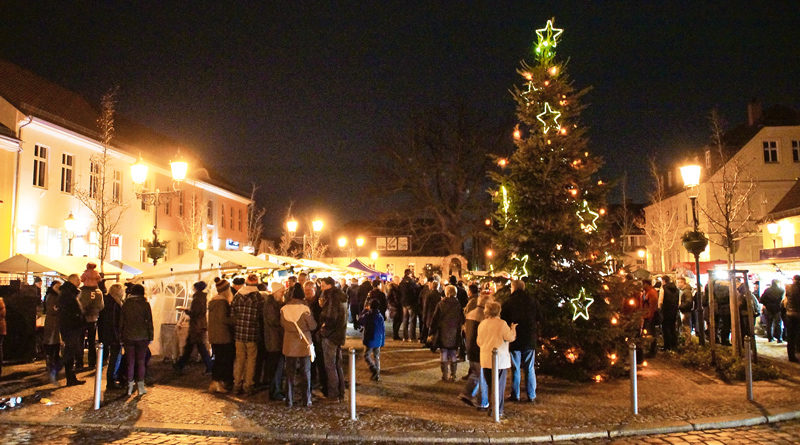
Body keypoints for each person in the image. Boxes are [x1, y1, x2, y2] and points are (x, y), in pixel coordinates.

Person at [477, 301, 516, 417]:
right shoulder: (502, 324)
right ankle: (497, 410)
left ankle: (491, 408)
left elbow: (479, 342)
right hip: (500, 360)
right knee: (499, 386)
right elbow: (510, 337)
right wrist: (513, 329)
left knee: (491, 385)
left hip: (485, 358)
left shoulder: (482, 324)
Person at [501, 280, 538, 403]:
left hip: (515, 338)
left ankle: (515, 394)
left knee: (515, 368)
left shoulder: (508, 302)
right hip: (529, 338)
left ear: (513, 288)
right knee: (529, 367)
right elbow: (539, 316)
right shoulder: (532, 301)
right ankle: (531, 394)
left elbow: (503, 319)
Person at [281, 282, 317, 407]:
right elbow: (313, 326)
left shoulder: (284, 308)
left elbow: (282, 324)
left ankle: (289, 400)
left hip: (289, 343)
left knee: (289, 373)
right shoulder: (305, 309)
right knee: (305, 372)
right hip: (303, 343)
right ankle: (306, 400)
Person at [231, 274, 263, 395]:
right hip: (252, 333)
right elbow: (261, 314)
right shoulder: (257, 297)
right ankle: (248, 385)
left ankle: (237, 384)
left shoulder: (237, 295)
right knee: (251, 360)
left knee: (239, 360)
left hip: (239, 333)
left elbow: (232, 312)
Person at [120, 284, 153, 396]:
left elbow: (121, 322)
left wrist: (121, 336)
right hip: (142, 336)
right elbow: (149, 322)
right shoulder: (145, 304)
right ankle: (140, 386)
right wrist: (151, 336)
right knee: (141, 362)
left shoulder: (126, 305)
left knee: (130, 362)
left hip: (128, 336)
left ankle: (129, 386)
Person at [174, 281, 213, 374]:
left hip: (196, 326)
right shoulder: (203, 298)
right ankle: (180, 364)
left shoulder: (197, 299)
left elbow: (195, 313)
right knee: (192, 347)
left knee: (197, 347)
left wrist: (185, 310)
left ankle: (209, 366)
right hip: (200, 325)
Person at [319, 277, 347, 401]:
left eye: (323, 285)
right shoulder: (341, 295)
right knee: (337, 365)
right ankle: (341, 392)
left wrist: (323, 326)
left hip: (330, 335)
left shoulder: (331, 297)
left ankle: (333, 394)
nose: (321, 288)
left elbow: (330, 316)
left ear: (329, 285)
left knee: (330, 366)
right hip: (339, 334)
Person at [459, 293, 490, 408]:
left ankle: (466, 393)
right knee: (483, 377)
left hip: (470, 348)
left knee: (476, 373)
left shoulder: (470, 314)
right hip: (479, 350)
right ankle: (482, 401)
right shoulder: (484, 317)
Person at [429, 285, 464, 381]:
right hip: (454, 331)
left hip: (443, 331)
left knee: (443, 352)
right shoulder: (458, 305)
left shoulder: (441, 304)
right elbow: (461, 319)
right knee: (453, 352)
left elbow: (435, 319)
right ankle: (453, 374)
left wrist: (431, 333)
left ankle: (444, 375)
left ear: (446, 292)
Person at [208, 278, 235, 393]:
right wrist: (235, 319)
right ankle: (217, 383)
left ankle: (216, 382)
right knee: (222, 360)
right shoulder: (222, 302)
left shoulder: (213, 301)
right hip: (223, 336)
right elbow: (223, 319)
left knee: (218, 359)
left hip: (215, 335)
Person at [59, 274, 86, 386]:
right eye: (79, 279)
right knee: (70, 352)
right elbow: (71, 311)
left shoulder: (67, 292)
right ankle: (70, 377)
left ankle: (71, 376)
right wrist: (79, 320)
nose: (80, 281)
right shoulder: (68, 294)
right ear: (74, 280)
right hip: (71, 328)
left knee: (71, 351)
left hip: (70, 327)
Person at [98, 283, 124, 390]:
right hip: (113, 336)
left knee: (112, 358)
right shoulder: (114, 304)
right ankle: (111, 380)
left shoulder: (106, 301)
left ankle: (112, 379)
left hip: (106, 334)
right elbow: (113, 322)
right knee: (114, 358)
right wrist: (117, 337)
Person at [263, 282, 286, 401]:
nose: (283, 294)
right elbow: (273, 320)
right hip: (273, 340)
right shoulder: (271, 304)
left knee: (277, 366)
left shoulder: (274, 303)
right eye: (282, 292)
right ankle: (275, 391)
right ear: (276, 292)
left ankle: (276, 390)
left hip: (276, 339)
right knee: (276, 367)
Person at [78, 273, 104, 370]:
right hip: (93, 318)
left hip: (81, 318)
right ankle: (92, 362)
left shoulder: (80, 291)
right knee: (92, 341)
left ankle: (79, 362)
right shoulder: (98, 292)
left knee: (80, 341)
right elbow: (101, 306)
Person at [359, 298, 385, 381]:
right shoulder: (380, 316)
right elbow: (383, 330)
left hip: (370, 339)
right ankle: (377, 374)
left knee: (367, 355)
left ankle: (374, 369)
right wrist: (382, 341)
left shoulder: (368, 315)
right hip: (378, 339)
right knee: (376, 356)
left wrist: (364, 311)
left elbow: (360, 320)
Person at [43, 281, 62, 383]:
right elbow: (52, 309)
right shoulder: (51, 296)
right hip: (52, 322)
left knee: (54, 342)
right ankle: (51, 361)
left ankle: (53, 360)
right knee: (51, 342)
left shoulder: (54, 295)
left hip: (55, 322)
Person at [660, 276, 680, 351]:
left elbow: (660, 301)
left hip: (666, 310)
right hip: (674, 311)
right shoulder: (677, 290)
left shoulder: (663, 289)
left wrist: (660, 308)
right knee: (672, 328)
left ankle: (667, 346)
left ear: (664, 281)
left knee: (665, 328)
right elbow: (678, 301)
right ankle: (674, 345)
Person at [783, 275, 800, 362]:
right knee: (797, 335)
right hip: (798, 314)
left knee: (790, 336)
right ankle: (797, 351)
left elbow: (784, 302)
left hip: (789, 314)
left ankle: (791, 356)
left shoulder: (788, 288)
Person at [399, 269, 420, 342]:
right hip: (411, 303)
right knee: (412, 320)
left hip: (404, 303)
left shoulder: (401, 282)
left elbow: (400, 292)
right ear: (409, 274)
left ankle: (405, 337)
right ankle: (412, 337)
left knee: (405, 319)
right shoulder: (411, 282)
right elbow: (416, 289)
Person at [641, 279, 659, 355]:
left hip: (650, 316)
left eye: (643, 284)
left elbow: (652, 306)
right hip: (646, 315)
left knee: (651, 333)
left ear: (647, 284)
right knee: (649, 333)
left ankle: (652, 350)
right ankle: (650, 349)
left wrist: (650, 316)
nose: (642, 286)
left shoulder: (651, 293)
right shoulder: (647, 292)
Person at [420, 280, 440, 346]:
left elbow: (426, 306)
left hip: (429, 314)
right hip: (436, 314)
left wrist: (424, 315)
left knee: (427, 328)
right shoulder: (439, 295)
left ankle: (427, 342)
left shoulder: (429, 295)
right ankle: (433, 342)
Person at [386, 276, 403, 340]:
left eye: (398, 280)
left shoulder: (398, 287)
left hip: (399, 306)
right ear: (394, 280)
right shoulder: (392, 288)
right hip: (395, 307)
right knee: (397, 321)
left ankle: (396, 334)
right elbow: (388, 298)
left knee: (399, 320)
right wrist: (392, 305)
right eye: (397, 280)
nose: (398, 281)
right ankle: (395, 335)